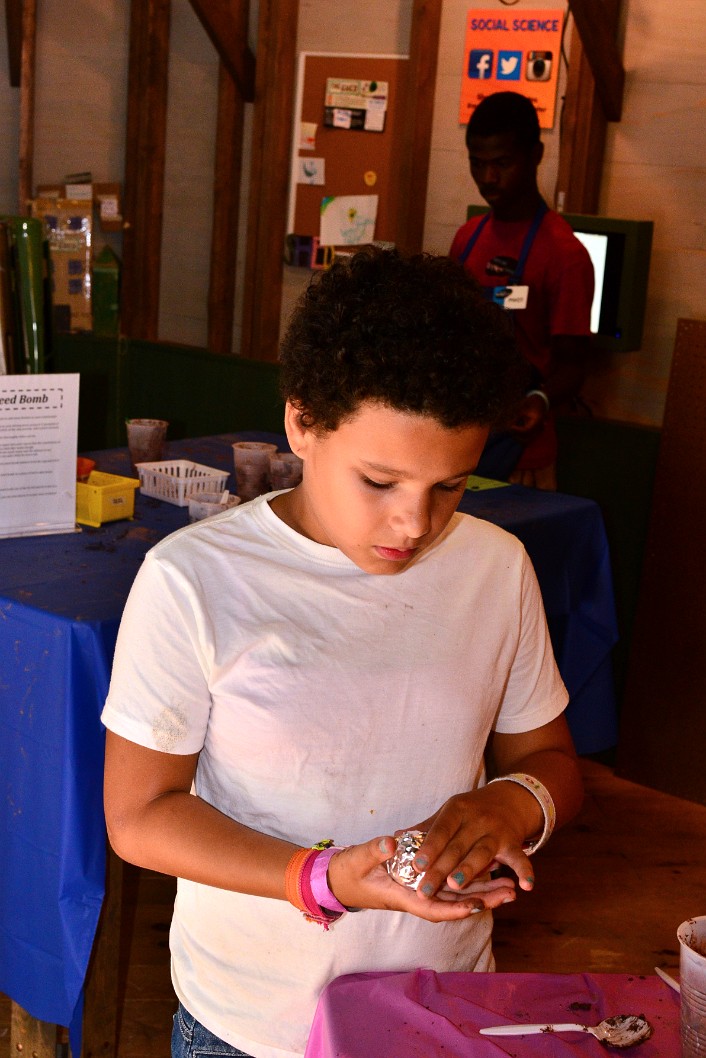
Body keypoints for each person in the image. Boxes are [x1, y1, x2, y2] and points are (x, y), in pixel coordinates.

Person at [102, 248, 584, 1058]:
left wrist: (513, 804)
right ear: (302, 424)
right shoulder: (194, 579)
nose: (414, 524)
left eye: (451, 487)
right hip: (254, 1021)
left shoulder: (495, 569)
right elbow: (141, 817)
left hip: (446, 999)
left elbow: (549, 756)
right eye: (379, 481)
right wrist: (318, 878)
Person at [450, 90, 595, 489]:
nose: (488, 178)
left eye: (502, 163)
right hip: (458, 451)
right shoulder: (468, 239)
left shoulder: (565, 255)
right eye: (477, 165)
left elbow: (573, 364)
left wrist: (540, 401)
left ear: (536, 155)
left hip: (521, 457)